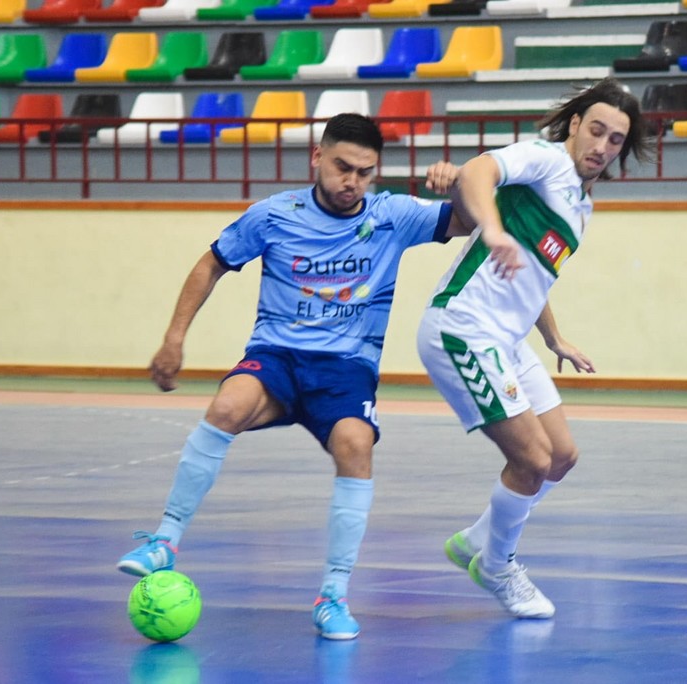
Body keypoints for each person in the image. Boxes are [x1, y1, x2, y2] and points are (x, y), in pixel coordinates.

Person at [117, 113, 469, 640]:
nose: (352, 182)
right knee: (227, 406)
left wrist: (458, 184)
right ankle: (164, 540)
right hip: (277, 356)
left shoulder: (393, 215)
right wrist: (174, 339)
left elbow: (469, 221)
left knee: (356, 444)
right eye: (342, 167)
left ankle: (333, 595)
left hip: (345, 370)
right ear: (317, 159)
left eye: (365, 172)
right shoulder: (275, 214)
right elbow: (210, 263)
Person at [416, 77, 654, 619]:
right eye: (596, 130)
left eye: (616, 139)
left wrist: (553, 337)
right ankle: (497, 566)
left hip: (510, 338)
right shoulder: (546, 160)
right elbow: (479, 170)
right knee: (532, 459)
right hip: (463, 329)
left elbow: (533, 278)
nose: (602, 146)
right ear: (575, 125)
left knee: (562, 458)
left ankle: (477, 539)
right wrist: (494, 231)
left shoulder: (582, 208)